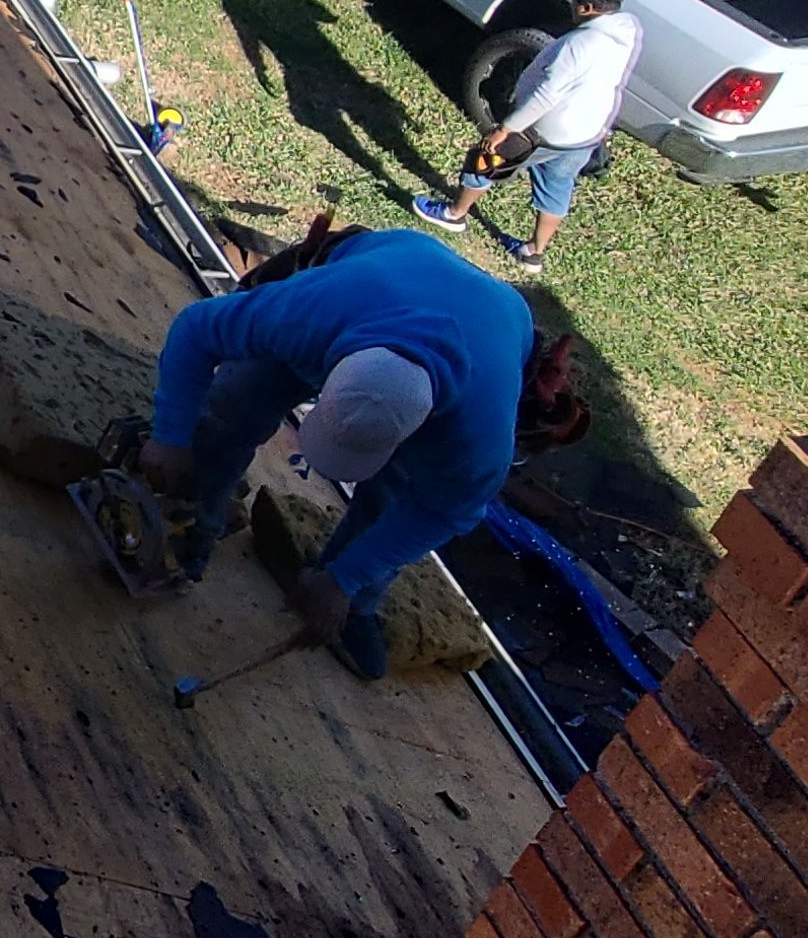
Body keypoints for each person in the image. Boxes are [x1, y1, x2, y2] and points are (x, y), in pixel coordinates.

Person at [138, 227, 582, 680]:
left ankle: (350, 599)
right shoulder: (308, 313)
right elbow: (197, 329)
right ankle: (192, 512)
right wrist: (170, 434)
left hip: (496, 322)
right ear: (328, 374)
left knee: (396, 489)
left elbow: (441, 513)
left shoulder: (478, 436)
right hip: (392, 268)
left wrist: (346, 579)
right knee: (241, 396)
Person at [414, 0, 640, 275]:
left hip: (547, 130)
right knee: (558, 186)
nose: (571, 8)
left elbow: (547, 94)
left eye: (574, 3)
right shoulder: (627, 30)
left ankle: (454, 215)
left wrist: (506, 128)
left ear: (586, 7)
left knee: (486, 161)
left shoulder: (580, 43)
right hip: (586, 133)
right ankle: (533, 253)